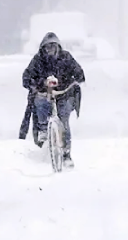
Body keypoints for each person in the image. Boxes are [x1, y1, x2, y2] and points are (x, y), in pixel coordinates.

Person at [21, 32, 86, 167]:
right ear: (43, 48)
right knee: (40, 102)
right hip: (45, 94)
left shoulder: (66, 58)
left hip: (64, 94)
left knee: (64, 121)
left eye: (53, 46)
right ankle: (43, 130)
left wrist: (73, 82)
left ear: (58, 47)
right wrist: (39, 84)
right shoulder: (38, 60)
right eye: (47, 47)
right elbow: (26, 77)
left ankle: (67, 154)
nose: (50, 49)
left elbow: (79, 73)